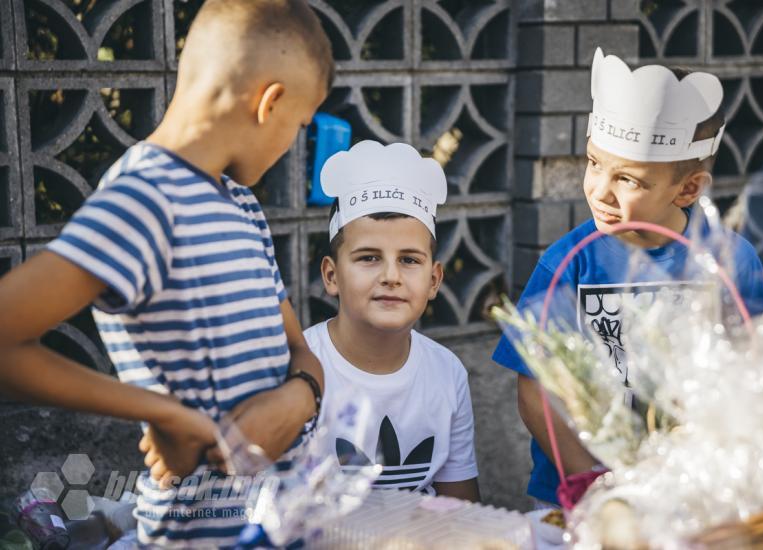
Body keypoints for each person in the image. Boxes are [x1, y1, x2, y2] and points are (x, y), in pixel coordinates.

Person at [0, 0, 334, 546]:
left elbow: (299, 350)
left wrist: (298, 398)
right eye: (299, 125)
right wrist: (168, 415)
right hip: (197, 534)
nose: (292, 144)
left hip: (278, 523)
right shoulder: (145, 198)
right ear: (269, 102)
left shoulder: (242, 206)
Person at [494, 48, 763, 509]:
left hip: (693, 496)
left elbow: (751, 372)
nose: (599, 189)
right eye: (594, 162)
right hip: (581, 500)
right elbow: (534, 388)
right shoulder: (568, 264)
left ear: (687, 189)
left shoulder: (729, 261)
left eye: (629, 179)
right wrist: (591, 483)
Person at [303, 140, 480, 501]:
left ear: (434, 280)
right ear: (332, 275)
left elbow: (462, 510)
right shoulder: (301, 367)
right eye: (368, 258)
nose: (391, 276)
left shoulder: (447, 373)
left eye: (409, 260)